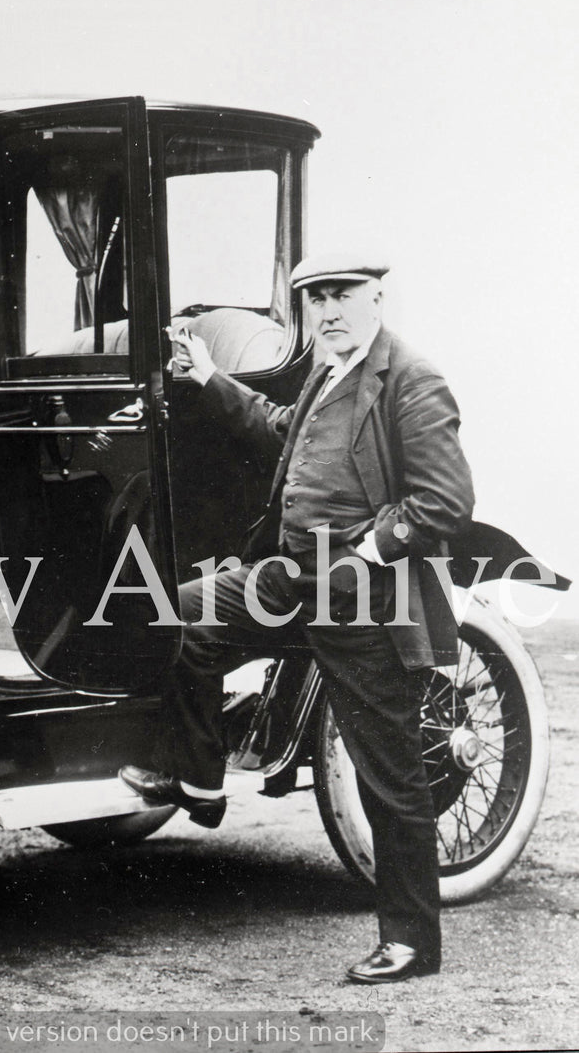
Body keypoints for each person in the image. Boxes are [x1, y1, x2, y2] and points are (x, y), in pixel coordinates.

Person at [119, 253, 474, 984]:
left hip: (364, 601)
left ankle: (410, 940)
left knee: (388, 775)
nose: (329, 312)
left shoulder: (409, 378)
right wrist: (207, 380)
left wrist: (366, 549)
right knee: (170, 615)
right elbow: (286, 430)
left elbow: (444, 502)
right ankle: (200, 777)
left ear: (377, 294)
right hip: (287, 578)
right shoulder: (328, 369)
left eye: (342, 296)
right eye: (314, 299)